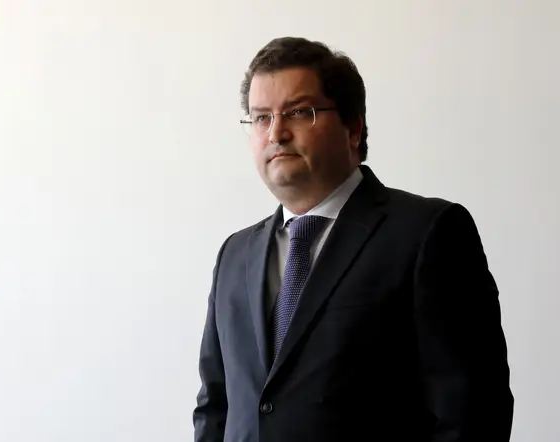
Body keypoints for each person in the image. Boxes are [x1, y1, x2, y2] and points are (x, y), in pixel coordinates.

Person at [192, 37, 513, 442]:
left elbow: (473, 413)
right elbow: (215, 407)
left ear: (353, 128)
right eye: (260, 117)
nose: (276, 133)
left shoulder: (428, 234)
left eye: (299, 112)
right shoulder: (235, 255)